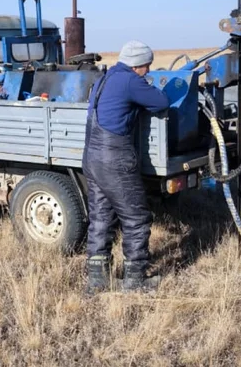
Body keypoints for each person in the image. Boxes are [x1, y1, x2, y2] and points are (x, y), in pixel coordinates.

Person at [82, 40, 170, 294]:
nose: (149, 71)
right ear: (137, 65)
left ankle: (97, 281)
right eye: (147, 66)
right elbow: (161, 102)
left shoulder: (105, 78)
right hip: (114, 157)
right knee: (136, 218)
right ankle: (134, 281)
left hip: (92, 156)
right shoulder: (131, 81)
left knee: (100, 217)